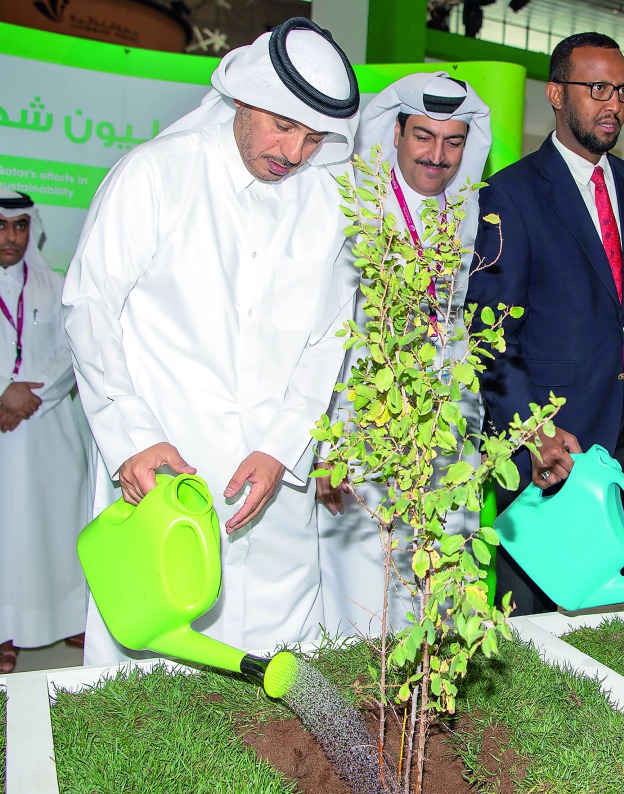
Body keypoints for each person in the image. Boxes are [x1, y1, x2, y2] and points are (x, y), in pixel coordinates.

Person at [62, 18, 361, 664]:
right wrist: (131, 436)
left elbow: (328, 342)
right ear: (246, 99)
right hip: (166, 469)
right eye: (283, 126)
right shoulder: (156, 175)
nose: (295, 151)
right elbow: (89, 310)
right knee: (156, 687)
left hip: (273, 490)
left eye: (314, 138)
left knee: (280, 682)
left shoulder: (328, 204)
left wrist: (284, 447)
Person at [467, 31, 624, 614]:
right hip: (550, 440)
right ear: (556, 93)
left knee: (599, 600)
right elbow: (490, 332)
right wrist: (533, 429)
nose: (613, 104)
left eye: (623, 91)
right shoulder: (511, 191)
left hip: (620, 428)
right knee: (533, 612)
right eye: (597, 88)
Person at [316, 72, 492, 635]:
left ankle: (425, 698)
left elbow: (459, 316)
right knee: (369, 572)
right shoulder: (356, 204)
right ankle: (368, 697)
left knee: (442, 564)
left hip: (448, 421)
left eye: (453, 141)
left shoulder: (467, 208)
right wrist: (333, 444)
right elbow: (329, 331)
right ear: (394, 132)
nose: (438, 156)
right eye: (423, 136)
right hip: (369, 424)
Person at [0, 190, 89, 674]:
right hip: (4, 428)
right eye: (1, 226)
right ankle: (5, 631)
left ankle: (65, 616)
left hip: (47, 427)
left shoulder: (54, 285)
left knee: (55, 524)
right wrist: (2, 393)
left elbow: (72, 350)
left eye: (19, 226)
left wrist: (32, 397)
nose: (11, 237)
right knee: (5, 532)